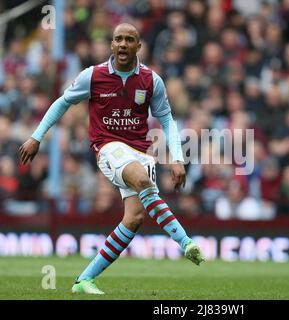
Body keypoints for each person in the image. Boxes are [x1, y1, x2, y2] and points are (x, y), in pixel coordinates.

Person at [19, 23, 205, 295]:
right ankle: (186, 242)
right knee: (143, 182)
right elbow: (62, 102)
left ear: (138, 46)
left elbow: (166, 118)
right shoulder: (92, 76)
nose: (122, 44)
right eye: (118, 39)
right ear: (111, 44)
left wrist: (177, 158)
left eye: (129, 39)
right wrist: (36, 136)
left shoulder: (151, 80)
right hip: (108, 148)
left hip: (140, 151)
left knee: (134, 217)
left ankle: (84, 280)